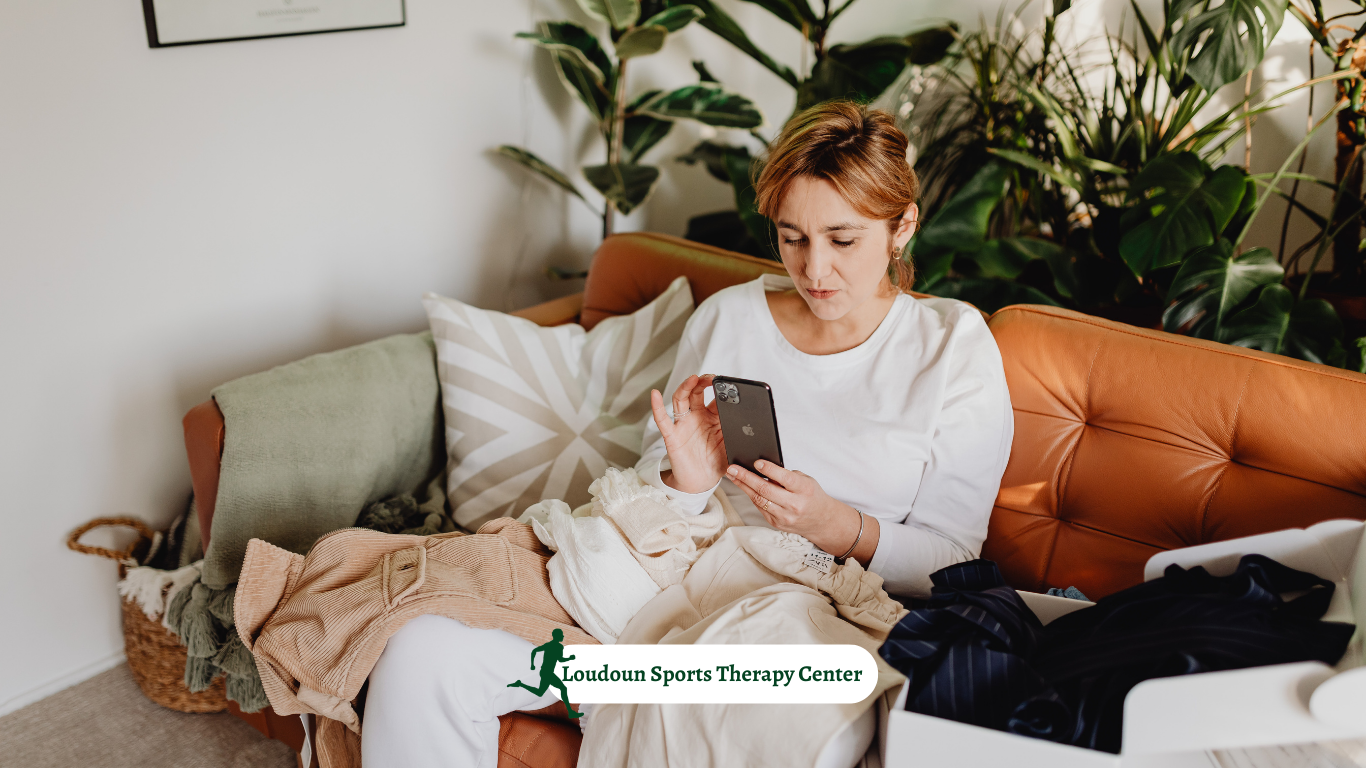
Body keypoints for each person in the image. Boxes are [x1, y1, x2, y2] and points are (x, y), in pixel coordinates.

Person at [361, 101, 1013, 768]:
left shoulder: (952, 347)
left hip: (817, 623)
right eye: (792, 237)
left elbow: (954, 562)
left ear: (903, 227)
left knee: (786, 726)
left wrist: (838, 526)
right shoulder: (730, 317)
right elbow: (661, 497)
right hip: (664, 585)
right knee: (420, 653)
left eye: (842, 241)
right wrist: (687, 482)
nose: (815, 270)